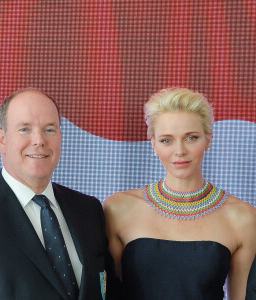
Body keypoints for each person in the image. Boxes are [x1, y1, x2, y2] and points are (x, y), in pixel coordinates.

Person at [0, 88, 121, 300]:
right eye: (24, 129)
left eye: (49, 130)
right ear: (2, 140)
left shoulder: (88, 210)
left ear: (61, 136)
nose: (39, 140)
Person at [103, 87, 256, 299]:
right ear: (154, 144)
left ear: (208, 140)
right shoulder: (118, 208)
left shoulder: (242, 217)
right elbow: (105, 292)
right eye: (167, 140)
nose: (180, 151)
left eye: (191, 138)